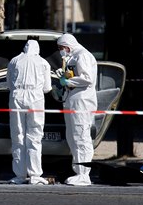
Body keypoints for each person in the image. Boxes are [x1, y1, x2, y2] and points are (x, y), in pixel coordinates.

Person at [6, 40, 52, 185]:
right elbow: (47, 88)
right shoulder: (43, 62)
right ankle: (35, 175)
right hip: (36, 97)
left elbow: (8, 83)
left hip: (16, 97)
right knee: (35, 135)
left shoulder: (14, 61)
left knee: (17, 135)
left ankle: (19, 175)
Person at [55, 33, 98, 186]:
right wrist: (64, 75)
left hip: (82, 102)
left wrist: (68, 80)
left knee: (81, 137)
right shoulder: (72, 57)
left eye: (61, 48)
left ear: (68, 45)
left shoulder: (83, 55)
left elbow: (87, 78)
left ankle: (84, 174)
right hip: (72, 101)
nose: (61, 50)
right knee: (73, 138)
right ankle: (78, 172)